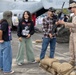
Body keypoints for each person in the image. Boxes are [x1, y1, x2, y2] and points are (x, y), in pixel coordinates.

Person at [57, 2, 76, 66]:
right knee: (71, 48)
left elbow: (74, 25)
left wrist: (64, 23)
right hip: (72, 33)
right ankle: (72, 60)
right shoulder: (73, 16)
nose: (70, 9)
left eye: (71, 8)